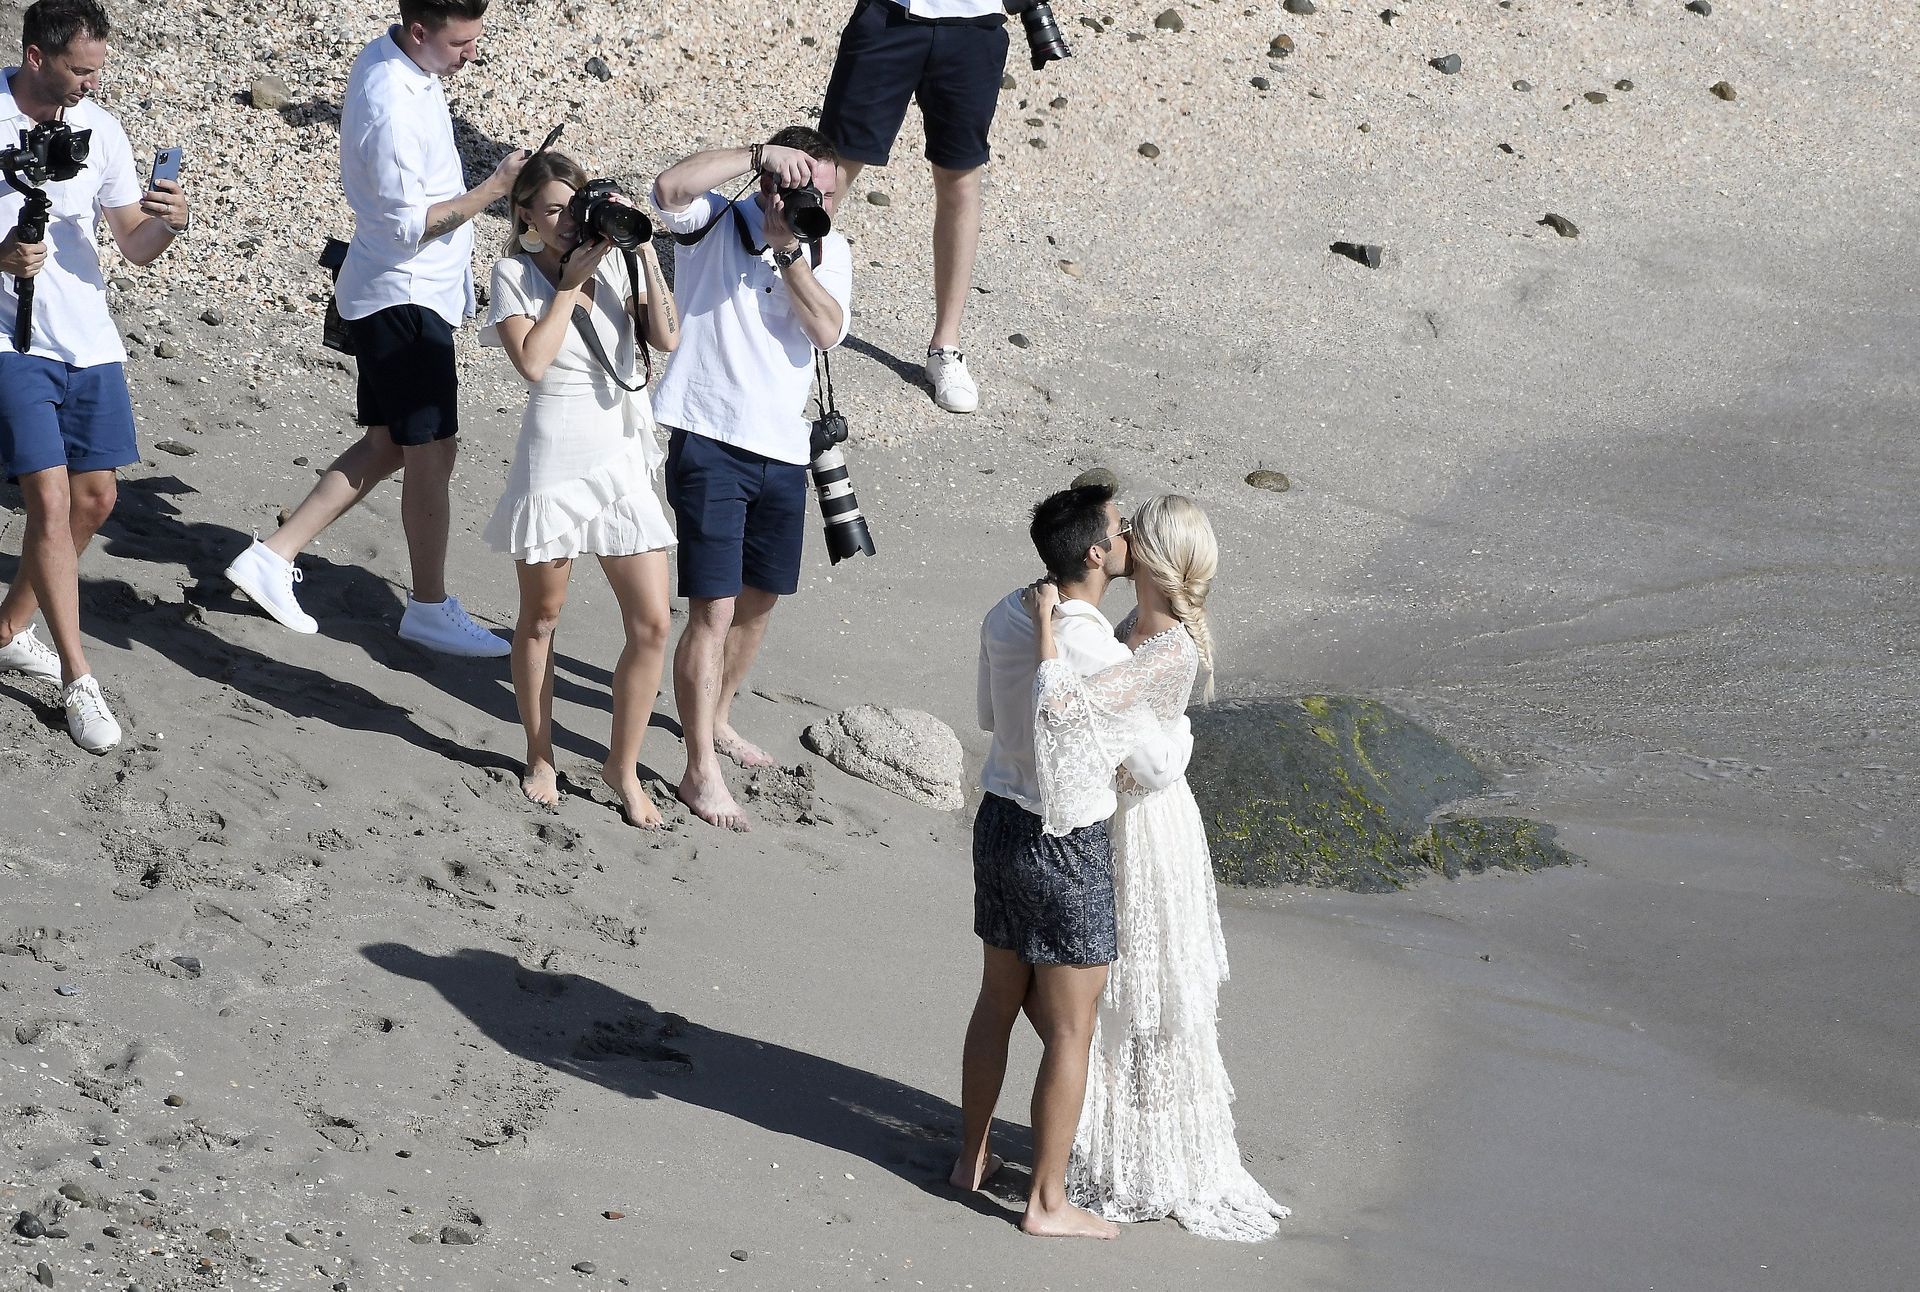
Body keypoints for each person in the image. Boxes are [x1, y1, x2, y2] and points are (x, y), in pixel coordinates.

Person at [223, 0, 524, 656]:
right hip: (402, 297)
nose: (471, 53)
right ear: (419, 31)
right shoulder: (390, 103)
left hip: (404, 292)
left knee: (391, 443)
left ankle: (272, 556)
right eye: (460, 42)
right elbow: (411, 225)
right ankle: (429, 607)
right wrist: (495, 189)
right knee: (432, 449)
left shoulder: (403, 60)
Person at [1028, 495, 1290, 1241]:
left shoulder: (1170, 646)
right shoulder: (1129, 628)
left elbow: (1087, 717)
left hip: (1149, 829)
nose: (1125, 537)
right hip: (1115, 816)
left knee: (1151, 995)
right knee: (1107, 994)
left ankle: (1153, 1158)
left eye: (1136, 530)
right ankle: (1112, 1145)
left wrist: (1047, 638)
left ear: (1152, 556)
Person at [957, 482, 1194, 1238]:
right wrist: (1182, 728)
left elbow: (989, 715)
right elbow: (1153, 767)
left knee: (996, 1001)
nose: (1129, 540)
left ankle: (971, 1158)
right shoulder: (1095, 648)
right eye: (1121, 530)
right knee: (1071, 1029)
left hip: (997, 819)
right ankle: (1048, 1203)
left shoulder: (1007, 610)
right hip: (1063, 844)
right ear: (1096, 553)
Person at [648, 127, 853, 831]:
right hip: (709, 438)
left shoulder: (827, 249)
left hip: (784, 452)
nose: (818, 204)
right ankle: (699, 768)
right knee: (714, 610)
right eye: (805, 189)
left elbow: (827, 331)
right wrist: (756, 158)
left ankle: (719, 715)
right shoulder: (715, 220)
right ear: (772, 182)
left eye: (827, 194)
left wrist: (791, 253)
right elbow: (667, 189)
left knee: (761, 599)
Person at [0, 0, 191, 753]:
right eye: (80, 70)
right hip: (11, 341)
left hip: (89, 339)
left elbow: (134, 246)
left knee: (96, 500)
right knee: (48, 502)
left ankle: (8, 629)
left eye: (98, 69)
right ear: (36, 56)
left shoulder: (100, 129)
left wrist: (168, 221)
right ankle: (79, 677)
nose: (92, 83)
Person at [480, 151, 680, 825]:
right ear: (526, 216)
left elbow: (667, 338)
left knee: (653, 623)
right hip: (556, 456)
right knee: (541, 618)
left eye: (577, 207)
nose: (569, 222)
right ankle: (540, 754)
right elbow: (533, 364)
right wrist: (567, 286)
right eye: (554, 211)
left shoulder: (617, 262)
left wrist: (642, 247)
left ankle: (622, 767)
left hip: (620, 451)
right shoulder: (513, 274)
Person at [818, 0, 1009, 414]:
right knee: (830, 171)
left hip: (975, 24)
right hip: (889, 15)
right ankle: (781, 309)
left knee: (960, 179)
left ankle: (946, 348)